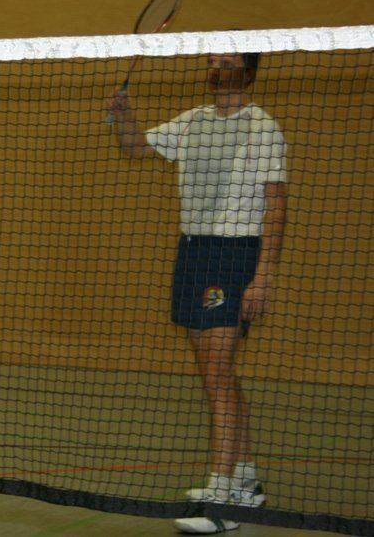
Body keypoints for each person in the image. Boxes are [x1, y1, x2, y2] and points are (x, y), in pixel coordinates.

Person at [107, 52, 287, 535]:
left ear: (247, 72)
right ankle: (244, 478)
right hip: (192, 252)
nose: (214, 65)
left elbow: (276, 207)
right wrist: (124, 116)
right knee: (216, 374)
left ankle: (221, 499)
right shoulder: (191, 121)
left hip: (233, 255)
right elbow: (135, 147)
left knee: (217, 373)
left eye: (226, 59)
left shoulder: (262, 128)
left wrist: (264, 275)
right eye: (212, 58)